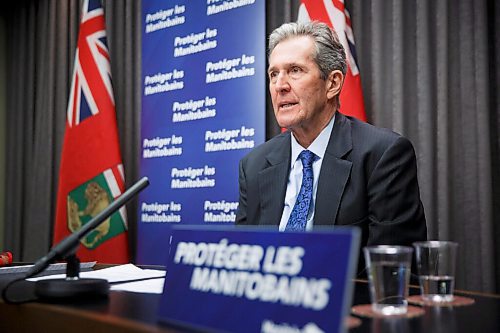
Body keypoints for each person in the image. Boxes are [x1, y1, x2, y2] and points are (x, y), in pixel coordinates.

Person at [235, 21, 427, 272]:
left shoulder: (382, 155)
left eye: (294, 70)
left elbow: (390, 274)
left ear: (333, 83)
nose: (280, 86)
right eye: (273, 74)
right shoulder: (254, 165)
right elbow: (239, 261)